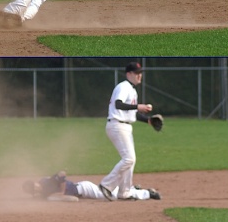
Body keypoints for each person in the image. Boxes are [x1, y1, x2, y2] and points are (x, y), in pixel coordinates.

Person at [99, 61, 158, 201]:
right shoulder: (123, 86)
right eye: (136, 73)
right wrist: (138, 106)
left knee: (131, 159)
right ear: (129, 74)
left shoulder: (132, 90)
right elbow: (118, 104)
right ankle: (106, 185)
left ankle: (124, 192)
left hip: (124, 126)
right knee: (129, 158)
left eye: (140, 73)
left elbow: (132, 113)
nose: (139, 76)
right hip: (117, 125)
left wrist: (148, 120)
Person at [23, 170, 161, 201]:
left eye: (34, 187)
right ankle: (132, 188)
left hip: (84, 189)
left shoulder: (46, 182)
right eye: (33, 191)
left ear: (35, 183)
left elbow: (62, 174)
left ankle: (148, 193)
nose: (36, 190)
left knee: (110, 196)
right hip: (82, 190)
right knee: (109, 193)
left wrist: (62, 192)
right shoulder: (42, 192)